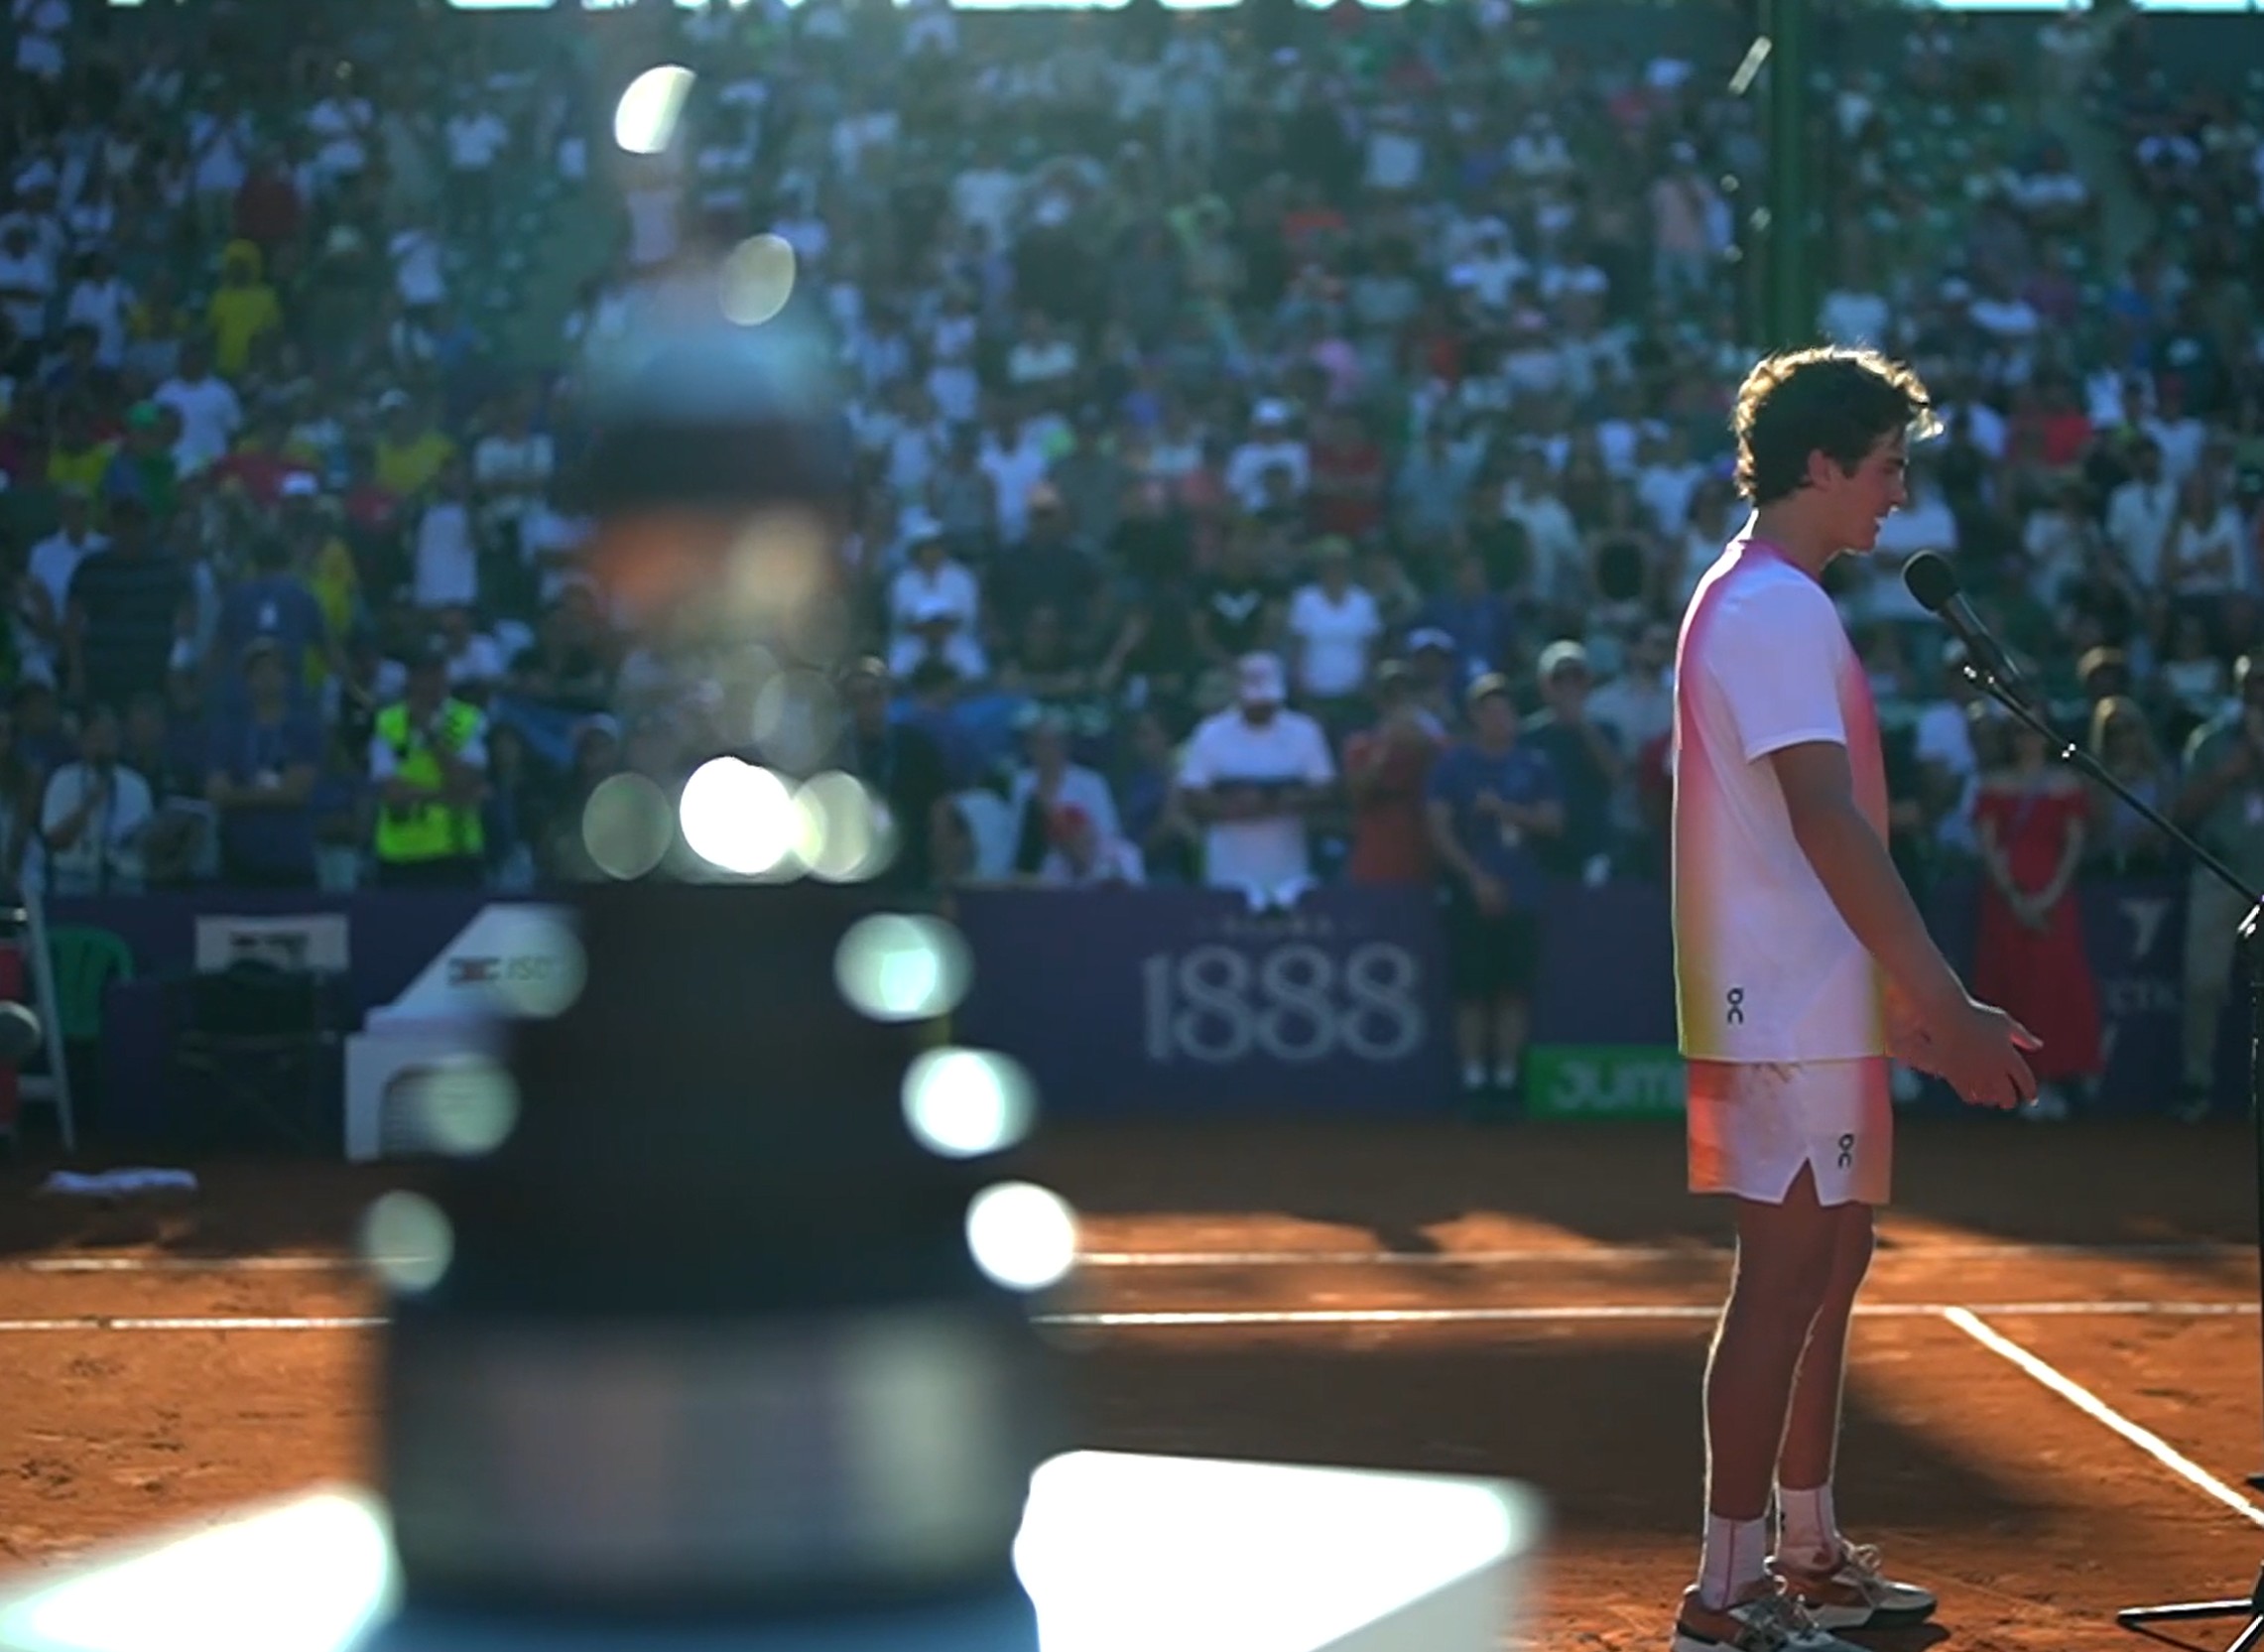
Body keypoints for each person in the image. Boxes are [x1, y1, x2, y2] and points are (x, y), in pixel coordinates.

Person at [1669, 346, 2039, 1652]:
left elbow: (1807, 838)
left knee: (1830, 1260)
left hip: (1806, 999)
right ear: (1820, 465)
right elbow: (1821, 822)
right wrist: (1943, 1001)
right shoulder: (1773, 609)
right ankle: (1724, 1591)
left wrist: (1896, 1012)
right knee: (1781, 1277)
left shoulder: (1778, 600)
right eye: (1885, 467)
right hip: (1777, 1003)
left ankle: (1807, 1543)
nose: (1896, 493)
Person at [1424, 673, 1561, 1096]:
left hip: (1522, 891)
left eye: (1504, 710)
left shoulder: (1534, 764)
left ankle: (1505, 1080)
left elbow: (1554, 822)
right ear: (1474, 717)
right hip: (1469, 894)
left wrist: (1504, 810)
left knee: (1512, 993)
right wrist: (1474, 877)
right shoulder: (1454, 766)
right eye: (1488, 711)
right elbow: (1438, 828)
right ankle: (1472, 1082)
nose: (1498, 719)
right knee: (1471, 993)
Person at [1971, 719, 2102, 1121]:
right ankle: (2014, 1086)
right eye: (2021, 734)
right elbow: (1989, 845)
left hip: (2054, 899)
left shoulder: (2067, 784)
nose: (2028, 740)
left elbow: (2074, 844)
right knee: (2013, 982)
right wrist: (2014, 896)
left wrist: (2049, 895)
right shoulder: (1994, 784)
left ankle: (2057, 1079)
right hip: (2007, 900)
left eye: (2034, 732)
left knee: (2056, 986)